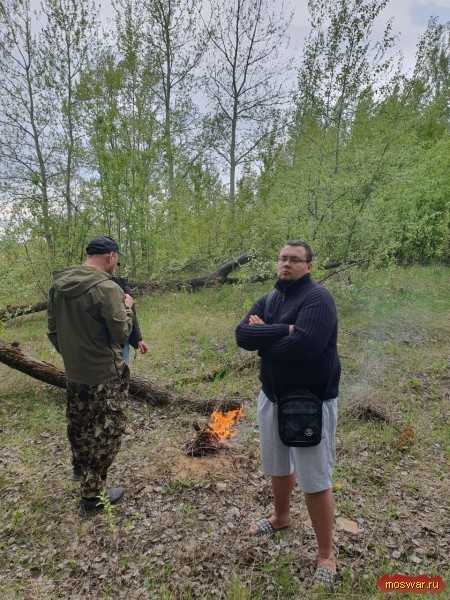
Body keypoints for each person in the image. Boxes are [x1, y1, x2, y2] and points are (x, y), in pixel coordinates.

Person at [235, 240, 341, 587]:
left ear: (309, 266)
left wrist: (264, 337)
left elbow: (306, 346)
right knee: (278, 464)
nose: (286, 264)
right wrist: (285, 329)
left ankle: (326, 554)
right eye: (282, 258)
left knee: (314, 477)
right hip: (272, 397)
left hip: (309, 403)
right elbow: (242, 335)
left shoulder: (318, 299)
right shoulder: (270, 299)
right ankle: (281, 517)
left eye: (295, 259)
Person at [47, 236, 134, 517]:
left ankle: (81, 469)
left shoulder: (58, 285)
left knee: (80, 424)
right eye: (117, 258)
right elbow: (121, 333)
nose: (116, 264)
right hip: (105, 374)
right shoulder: (107, 289)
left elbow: (52, 330)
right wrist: (128, 308)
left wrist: (73, 357)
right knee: (109, 430)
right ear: (110, 256)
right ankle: (92, 496)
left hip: (75, 373)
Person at [111, 275, 148, 366]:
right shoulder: (96, 287)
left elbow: (132, 315)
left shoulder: (120, 283)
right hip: (104, 342)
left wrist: (138, 339)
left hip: (123, 339)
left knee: (124, 367)